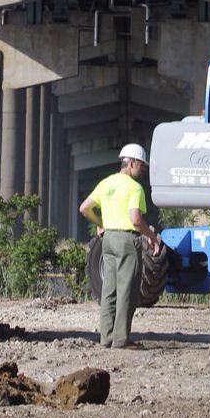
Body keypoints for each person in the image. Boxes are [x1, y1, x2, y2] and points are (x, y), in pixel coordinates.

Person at [80, 142, 162, 349]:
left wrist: (101, 224)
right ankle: (121, 339)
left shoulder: (106, 183)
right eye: (141, 166)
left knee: (109, 289)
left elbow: (84, 208)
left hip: (107, 241)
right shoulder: (135, 188)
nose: (142, 170)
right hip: (127, 240)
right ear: (132, 163)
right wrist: (151, 235)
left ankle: (106, 337)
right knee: (128, 290)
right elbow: (135, 219)